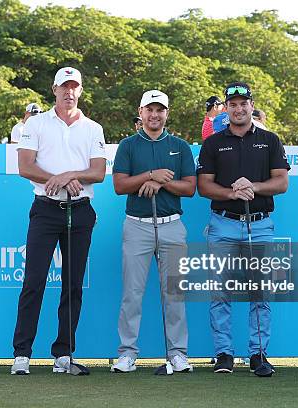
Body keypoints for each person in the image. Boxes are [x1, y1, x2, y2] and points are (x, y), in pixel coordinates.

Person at [10, 67, 106, 375]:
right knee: (34, 281)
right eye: (64, 86)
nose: (69, 92)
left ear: (80, 91)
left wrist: (68, 176)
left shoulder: (93, 127)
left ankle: (63, 353)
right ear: (54, 89)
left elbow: (98, 172)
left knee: (72, 284)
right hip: (45, 209)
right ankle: (22, 354)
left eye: (74, 87)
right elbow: (25, 166)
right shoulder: (36, 123)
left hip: (80, 212)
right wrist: (58, 179)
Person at [197, 82, 289, 374]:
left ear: (252, 105)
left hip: (260, 225)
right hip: (223, 223)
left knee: (260, 292)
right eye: (233, 104)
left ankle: (258, 354)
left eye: (243, 103)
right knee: (219, 291)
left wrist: (254, 186)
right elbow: (203, 186)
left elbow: (282, 182)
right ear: (226, 108)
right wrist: (231, 193)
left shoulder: (270, 140)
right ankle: (223, 354)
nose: (238, 109)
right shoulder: (213, 143)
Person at [111, 90, 196, 373]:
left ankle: (178, 354)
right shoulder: (128, 145)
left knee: (174, 293)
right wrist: (149, 175)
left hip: (172, 225)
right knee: (132, 293)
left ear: (166, 114)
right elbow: (120, 185)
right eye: (150, 109)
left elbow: (190, 188)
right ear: (141, 111)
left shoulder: (180, 146)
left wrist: (161, 182)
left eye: (160, 110)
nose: (154, 115)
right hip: (137, 225)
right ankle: (127, 353)